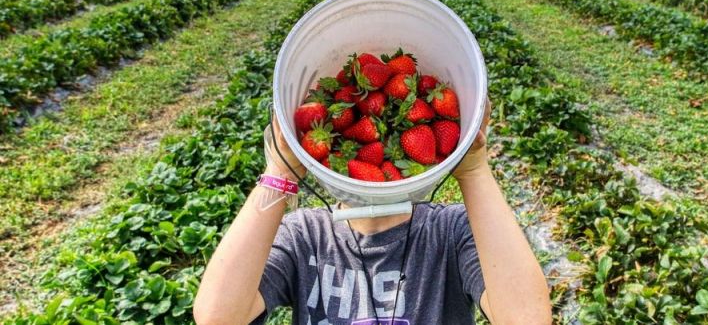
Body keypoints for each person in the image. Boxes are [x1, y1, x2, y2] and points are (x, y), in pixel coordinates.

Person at [194, 103, 553, 325]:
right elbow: (218, 318)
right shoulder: (303, 237)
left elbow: (527, 319)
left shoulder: (451, 231)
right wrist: (280, 171)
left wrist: (474, 170)